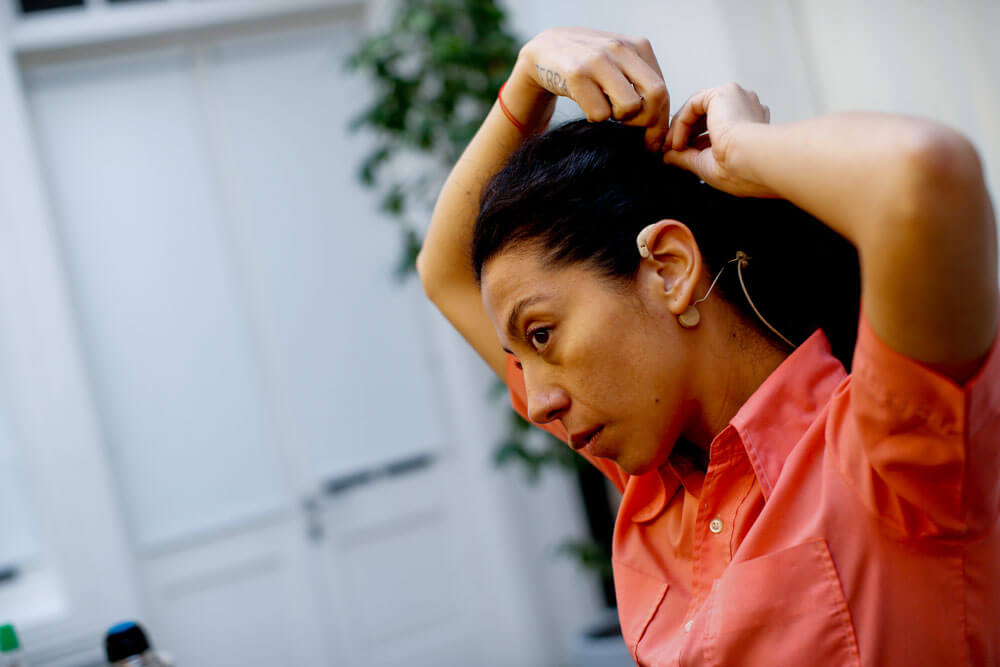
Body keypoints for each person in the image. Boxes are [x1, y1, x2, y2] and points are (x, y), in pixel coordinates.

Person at [417, 27, 999, 665]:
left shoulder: (895, 453)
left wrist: (744, 151)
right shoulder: (654, 484)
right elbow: (444, 273)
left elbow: (924, 176)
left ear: (668, 269)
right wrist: (530, 77)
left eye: (541, 335)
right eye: (521, 358)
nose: (537, 403)